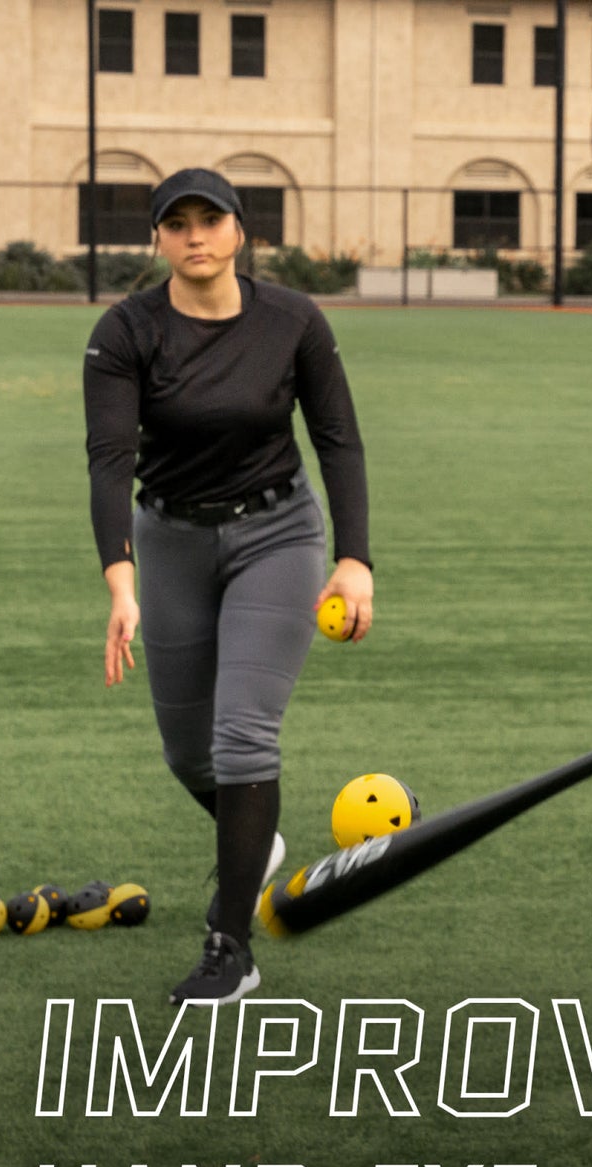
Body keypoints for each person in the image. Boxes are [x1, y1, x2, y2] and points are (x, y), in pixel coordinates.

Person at [83, 167, 374, 1007]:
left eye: (211, 219)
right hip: (169, 538)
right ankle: (255, 838)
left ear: (240, 231)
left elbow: (338, 440)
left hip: (277, 534)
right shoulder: (125, 332)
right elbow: (110, 461)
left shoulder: (293, 321)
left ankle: (230, 946)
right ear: (158, 240)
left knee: (243, 734)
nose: (195, 235)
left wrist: (353, 558)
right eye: (177, 224)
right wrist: (121, 580)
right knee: (188, 751)